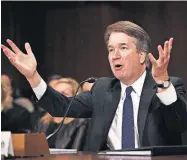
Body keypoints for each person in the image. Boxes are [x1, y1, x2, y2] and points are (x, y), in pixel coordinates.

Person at [1, 21, 187, 152]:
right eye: (111, 49)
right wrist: (33, 76)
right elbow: (61, 107)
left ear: (141, 56)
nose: (115, 55)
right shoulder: (103, 89)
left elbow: (179, 124)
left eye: (123, 48)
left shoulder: (168, 87)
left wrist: (163, 82)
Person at [33, 77, 88, 150]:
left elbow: (77, 152)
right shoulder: (43, 122)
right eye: (56, 93)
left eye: (63, 93)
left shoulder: (81, 123)